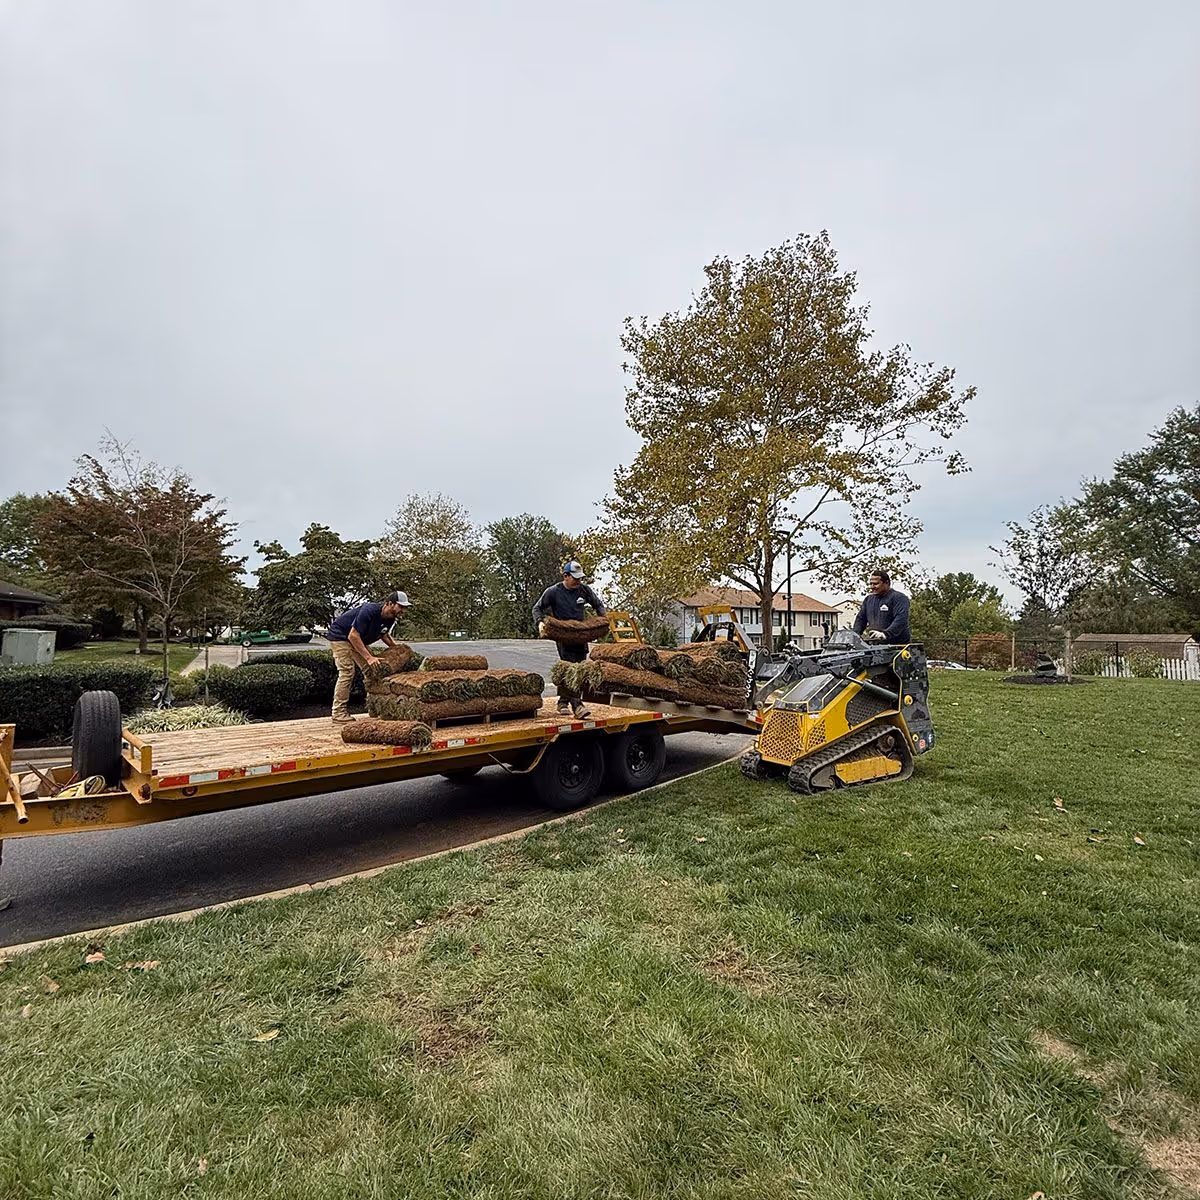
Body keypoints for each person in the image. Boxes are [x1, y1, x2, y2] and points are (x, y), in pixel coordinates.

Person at [533, 561, 607, 717]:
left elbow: (598, 604)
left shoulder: (584, 590)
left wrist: (603, 620)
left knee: (579, 669)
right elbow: (537, 608)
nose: (578, 581)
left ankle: (562, 701)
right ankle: (577, 706)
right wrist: (540, 622)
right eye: (575, 578)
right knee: (571, 669)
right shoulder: (553, 592)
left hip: (580, 635)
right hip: (564, 636)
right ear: (565, 576)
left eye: (580, 578)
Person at [325, 590, 412, 724]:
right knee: (347, 672)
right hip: (341, 637)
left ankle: (375, 707)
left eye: (405, 607)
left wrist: (396, 648)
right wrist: (369, 657)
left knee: (373, 671)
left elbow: (384, 634)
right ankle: (338, 713)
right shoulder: (369, 611)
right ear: (389, 603)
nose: (403, 610)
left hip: (358, 639)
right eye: (401, 606)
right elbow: (353, 635)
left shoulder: (390, 618)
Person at [853, 569, 911, 645]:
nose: (872, 587)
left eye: (876, 584)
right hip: (876, 646)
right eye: (871, 584)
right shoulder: (868, 600)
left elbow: (901, 619)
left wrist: (885, 634)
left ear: (886, 583)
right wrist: (854, 636)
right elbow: (861, 619)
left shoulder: (899, 598)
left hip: (898, 647)